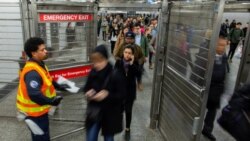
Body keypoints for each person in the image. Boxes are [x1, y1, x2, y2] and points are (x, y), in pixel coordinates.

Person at [16, 37, 69, 141]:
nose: (46, 51)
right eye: (42, 50)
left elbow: (47, 79)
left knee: (42, 135)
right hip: (34, 114)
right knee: (41, 138)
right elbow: (34, 94)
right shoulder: (32, 72)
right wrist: (51, 101)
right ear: (34, 53)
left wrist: (59, 86)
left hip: (39, 112)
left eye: (45, 48)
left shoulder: (40, 64)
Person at [83, 45, 126, 141]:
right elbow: (86, 87)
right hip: (95, 112)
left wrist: (107, 95)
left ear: (106, 59)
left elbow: (122, 95)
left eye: (100, 61)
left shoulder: (115, 74)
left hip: (110, 114)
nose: (96, 65)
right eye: (94, 62)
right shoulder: (93, 72)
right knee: (91, 138)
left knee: (109, 138)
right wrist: (88, 93)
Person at [201, 31, 228, 141]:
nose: (222, 48)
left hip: (217, 90)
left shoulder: (224, 58)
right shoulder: (205, 56)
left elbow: (225, 73)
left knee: (211, 113)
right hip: (205, 88)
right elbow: (198, 72)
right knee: (199, 109)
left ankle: (207, 130)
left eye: (224, 45)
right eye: (220, 45)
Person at [114, 44, 140, 141]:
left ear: (132, 54)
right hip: (120, 91)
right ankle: (117, 124)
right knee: (120, 109)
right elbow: (114, 74)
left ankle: (127, 126)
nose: (127, 55)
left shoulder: (135, 63)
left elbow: (138, 73)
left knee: (128, 110)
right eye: (125, 52)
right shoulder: (118, 62)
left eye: (129, 53)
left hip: (130, 91)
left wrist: (132, 64)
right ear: (123, 52)